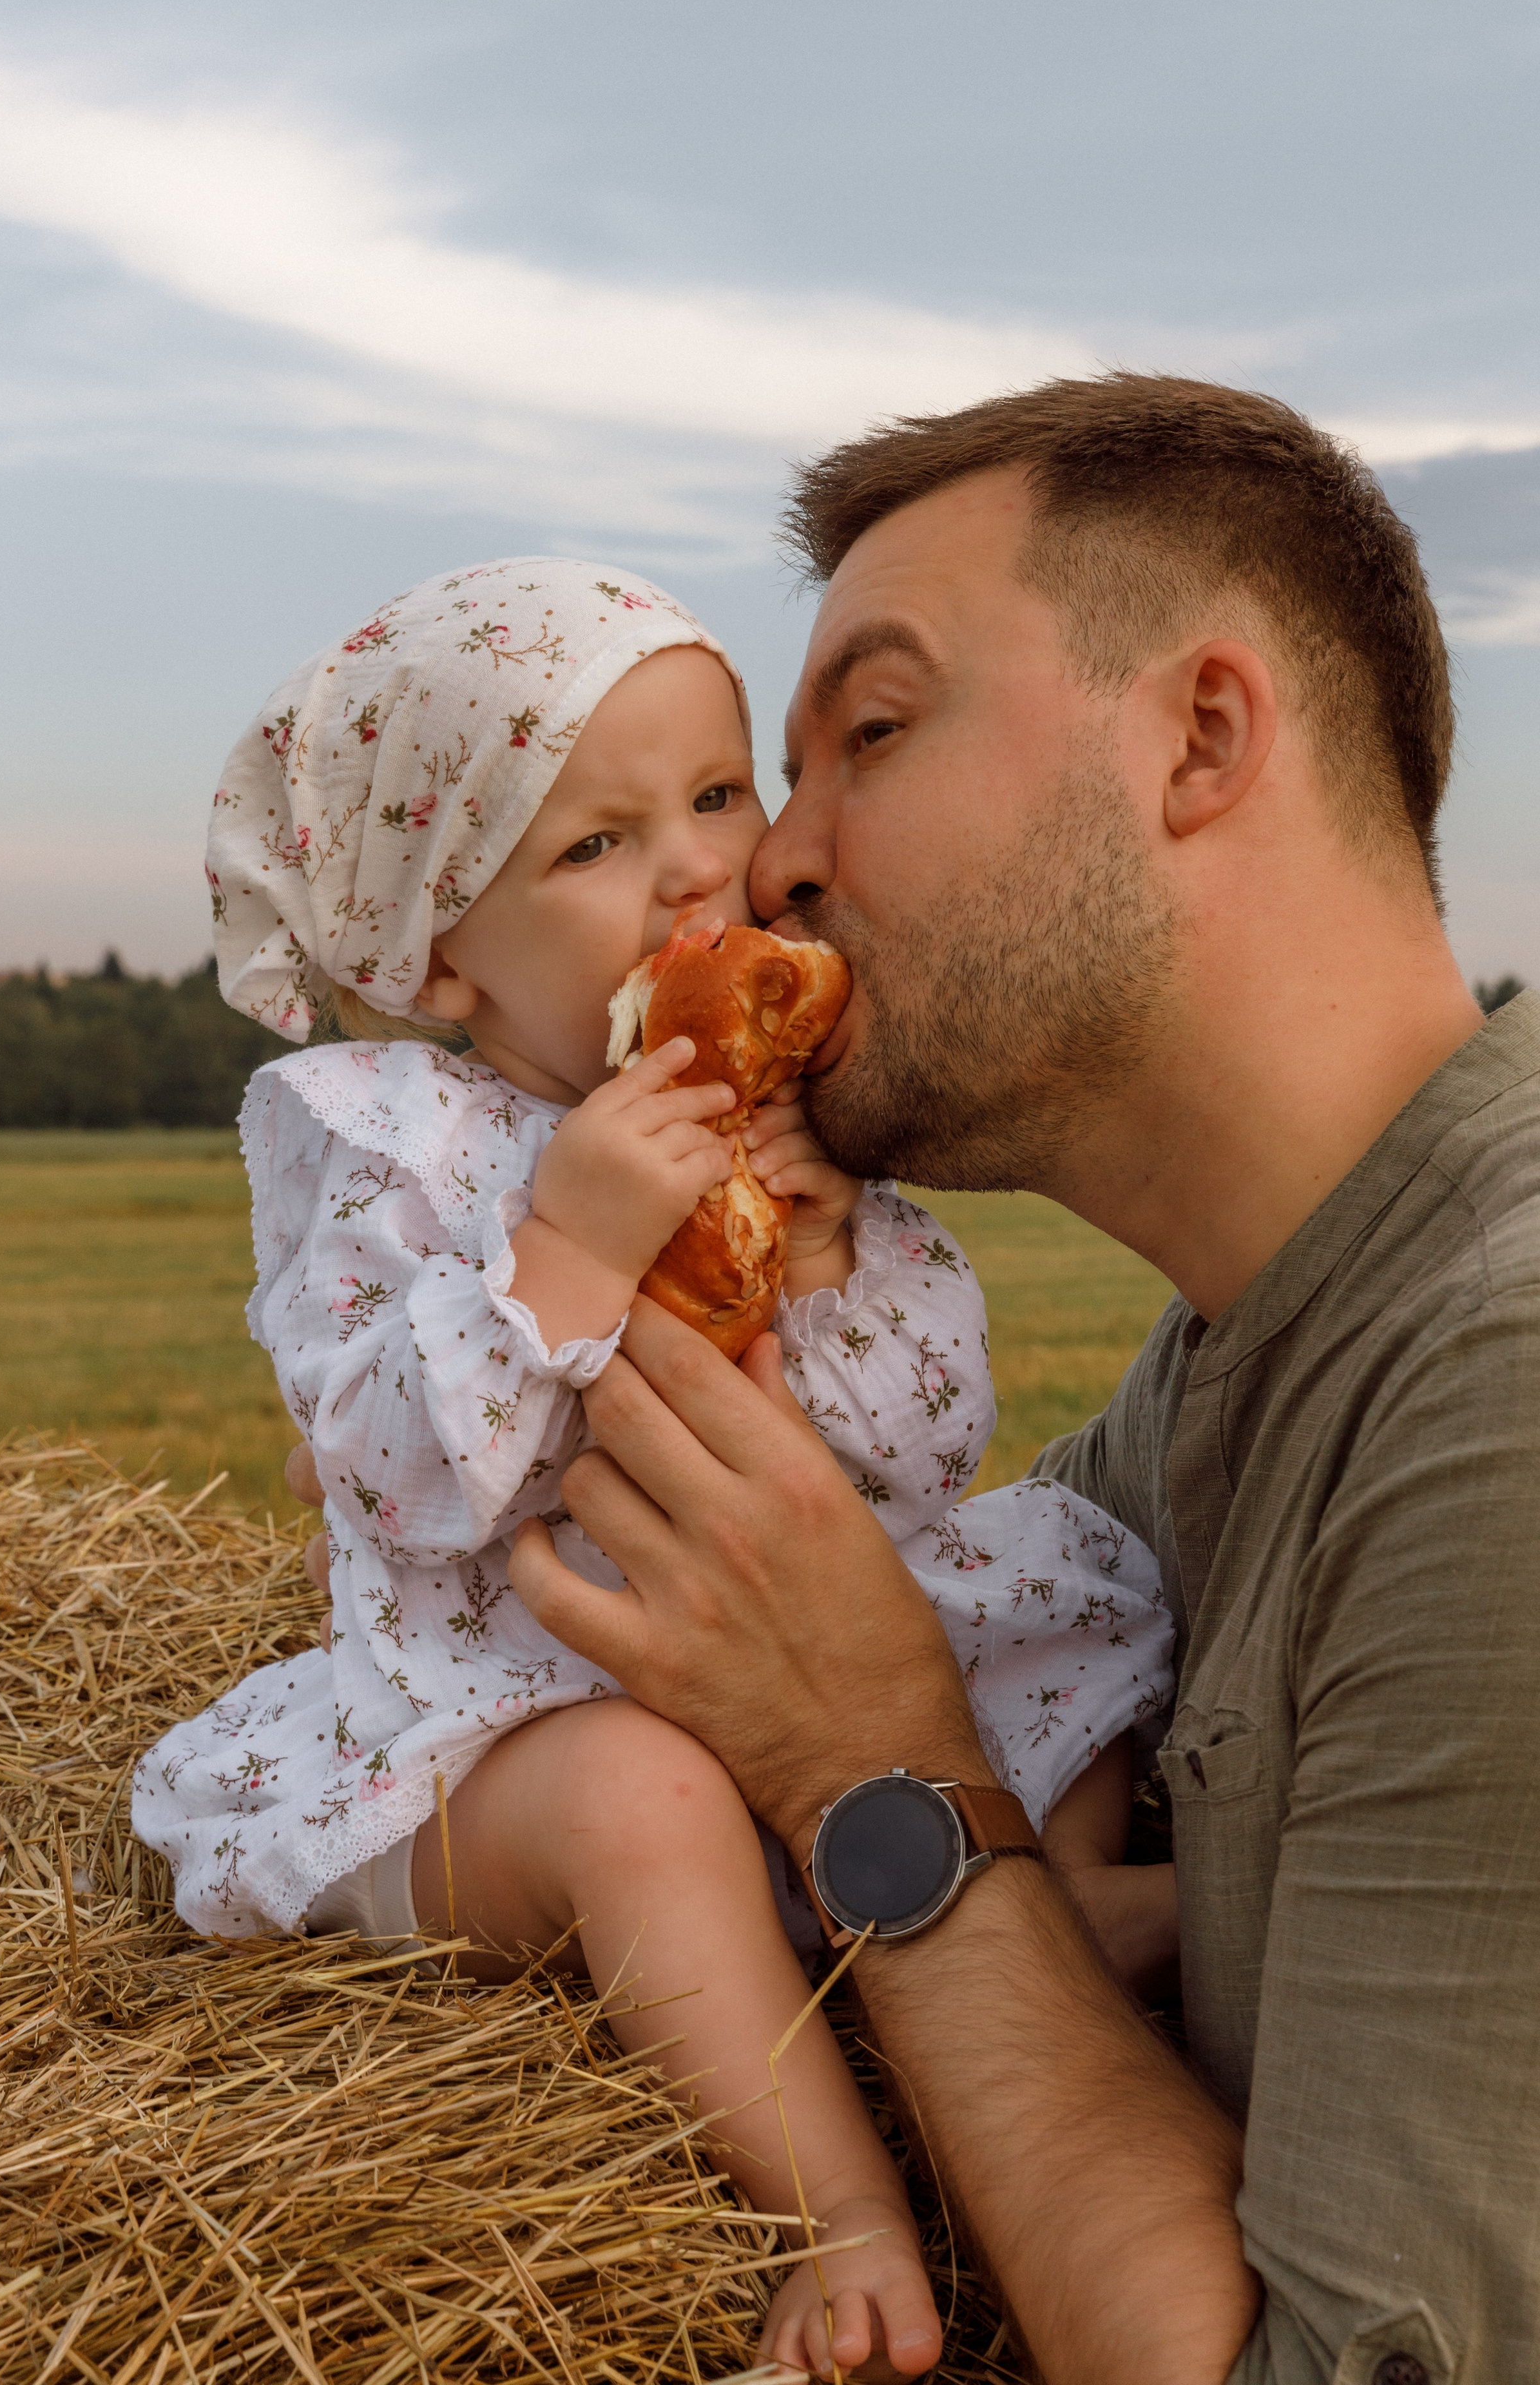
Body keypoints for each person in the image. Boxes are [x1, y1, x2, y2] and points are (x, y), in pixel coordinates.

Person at [453, 378, 1540, 2385]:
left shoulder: (1507, 1394)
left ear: (1201, 740)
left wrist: (877, 1771)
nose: (765, 864)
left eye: (868, 734)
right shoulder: (1230, 1371)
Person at [131, 554, 1173, 2380]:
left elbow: (926, 1450)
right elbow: (381, 1471)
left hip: (810, 1672)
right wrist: (570, 1256)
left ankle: (1047, 1902)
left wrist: (841, 1258)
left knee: (1064, 1593)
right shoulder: (383, 1137)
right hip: (516, 1714)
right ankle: (840, 2214)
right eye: (597, 845)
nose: (704, 867)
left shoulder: (770, 1098)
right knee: (640, 1801)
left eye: (716, 794)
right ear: (442, 948)